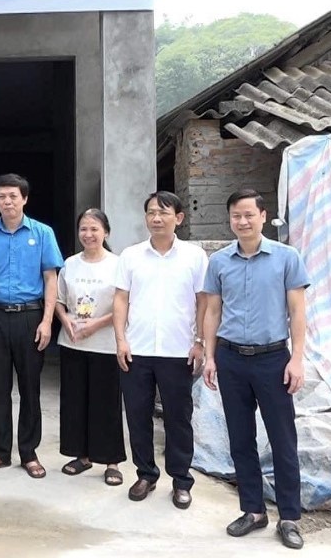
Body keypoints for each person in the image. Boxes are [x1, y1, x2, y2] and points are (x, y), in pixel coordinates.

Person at [202, 189, 309, 550]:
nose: (243, 221)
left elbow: (298, 312)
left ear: (263, 216)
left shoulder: (287, 258)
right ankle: (253, 510)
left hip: (272, 359)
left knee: (282, 439)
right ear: (229, 219)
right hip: (231, 359)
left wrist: (297, 358)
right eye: (236, 215)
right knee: (240, 438)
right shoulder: (219, 261)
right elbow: (213, 311)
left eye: (249, 215)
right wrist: (210, 356)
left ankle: (289, 517)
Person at [113, 191, 207, 509]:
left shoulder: (194, 257)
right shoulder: (131, 256)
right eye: (151, 212)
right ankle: (146, 474)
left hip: (178, 350)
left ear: (178, 218)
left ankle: (181, 481)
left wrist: (200, 341)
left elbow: (203, 302)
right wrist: (120, 340)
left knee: (178, 418)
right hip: (137, 349)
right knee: (137, 415)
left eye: (163, 213)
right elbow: (121, 299)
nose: (156, 218)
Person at [0, 173, 63, 479]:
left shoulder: (42, 233)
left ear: (24, 198)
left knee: (30, 387)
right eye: (2, 197)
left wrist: (47, 322)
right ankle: (0, 451)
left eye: (13, 196)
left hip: (30, 317)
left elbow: (51, 278)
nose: (7, 201)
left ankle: (29, 452)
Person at [55, 208, 126, 486]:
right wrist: (65, 320)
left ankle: (111, 461)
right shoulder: (70, 264)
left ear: (106, 232)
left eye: (94, 229)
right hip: (73, 342)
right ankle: (82, 456)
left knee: (106, 403)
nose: (88, 234)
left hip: (106, 344)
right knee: (75, 401)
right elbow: (59, 300)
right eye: (83, 229)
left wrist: (96, 324)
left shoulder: (118, 264)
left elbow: (125, 304)